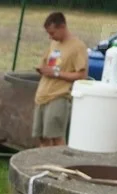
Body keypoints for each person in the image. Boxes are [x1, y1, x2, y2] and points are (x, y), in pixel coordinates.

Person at [33, 12, 88, 147]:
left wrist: (56, 74)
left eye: (52, 33)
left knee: (55, 137)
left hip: (59, 96)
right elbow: (49, 64)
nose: (50, 37)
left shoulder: (78, 46)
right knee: (42, 137)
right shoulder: (54, 44)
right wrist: (43, 69)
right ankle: (44, 164)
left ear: (62, 26)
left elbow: (81, 75)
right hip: (42, 95)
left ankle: (59, 165)